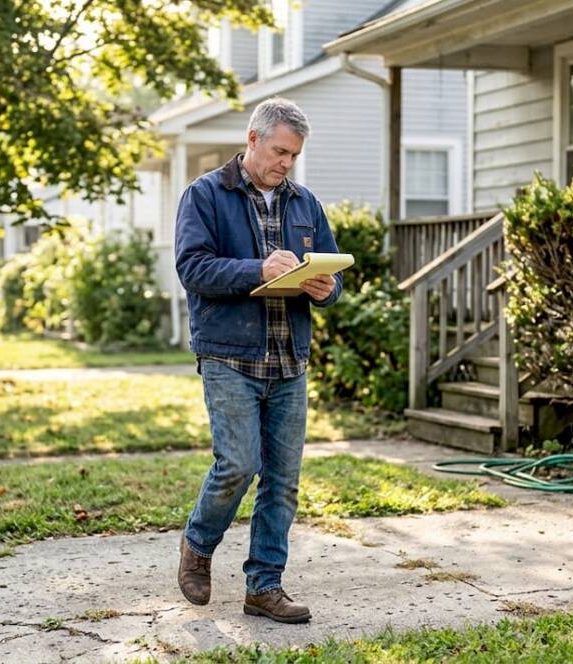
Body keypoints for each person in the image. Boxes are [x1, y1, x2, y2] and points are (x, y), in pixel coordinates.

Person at [174, 97, 343, 624]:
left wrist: (322, 289)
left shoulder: (304, 203)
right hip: (230, 356)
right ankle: (198, 546)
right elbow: (193, 268)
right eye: (279, 152)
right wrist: (258, 270)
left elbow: (333, 279)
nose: (286, 163)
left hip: (289, 360)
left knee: (283, 482)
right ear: (252, 139)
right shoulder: (205, 195)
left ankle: (264, 587)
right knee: (239, 464)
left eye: (293, 155)